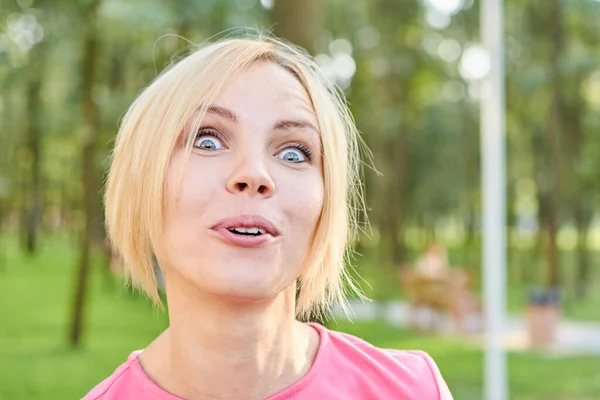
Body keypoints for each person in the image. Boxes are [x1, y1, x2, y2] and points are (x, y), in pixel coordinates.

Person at [83, 34, 453, 400]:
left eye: (294, 153)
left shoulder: (413, 390)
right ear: (141, 179)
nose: (255, 175)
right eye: (208, 140)